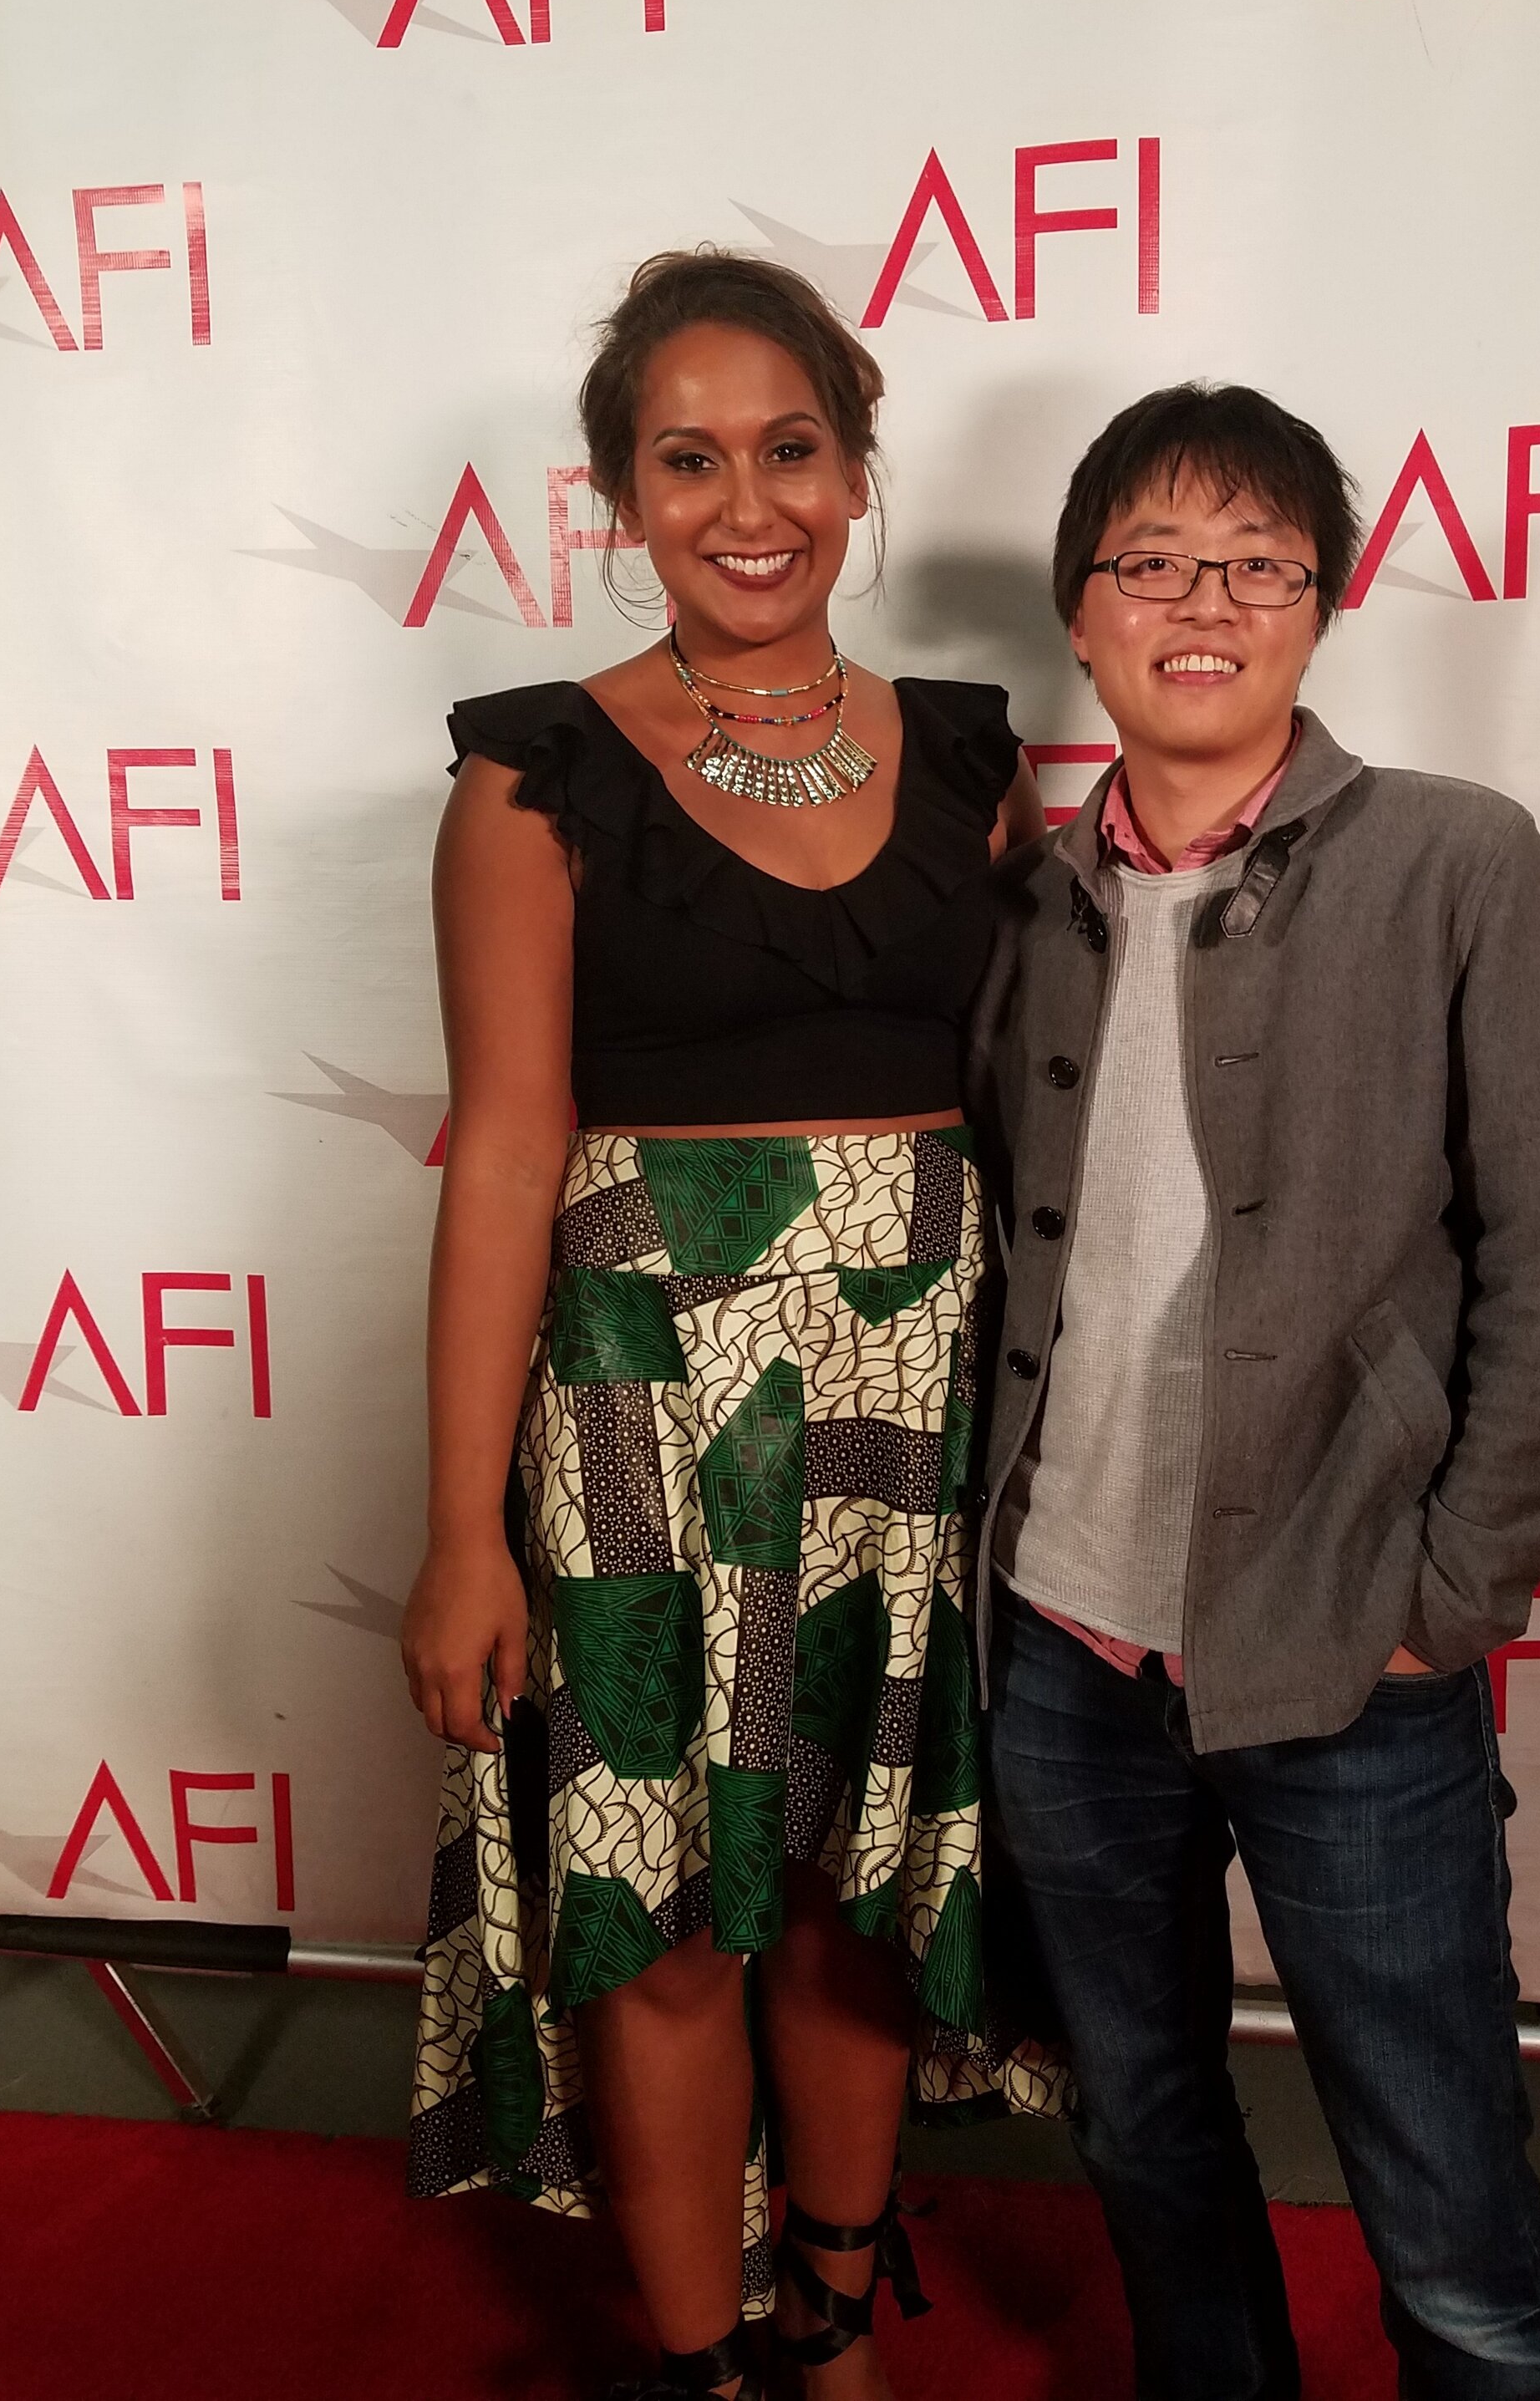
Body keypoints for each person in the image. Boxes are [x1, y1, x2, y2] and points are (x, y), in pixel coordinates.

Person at [399, 249, 1063, 2401]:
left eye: (788, 446)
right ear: (617, 493)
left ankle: (839, 2317)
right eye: (685, 456)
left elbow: (1030, 1111)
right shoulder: (530, 779)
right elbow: (505, 1151)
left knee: (853, 1891)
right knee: (666, 1900)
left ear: (859, 472)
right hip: (628, 1411)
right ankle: (705, 2361)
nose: (743, 497)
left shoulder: (974, 755)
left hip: (909, 1402)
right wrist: (460, 1531)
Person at [968, 382, 1540, 2401]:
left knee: (1446, 2214)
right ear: (1081, 613)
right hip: (1065, 1647)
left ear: (1317, 608)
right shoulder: (1019, 900)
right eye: (1152, 562)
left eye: (1255, 565)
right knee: (1146, 2139)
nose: (1204, 602)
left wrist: (1449, 1597)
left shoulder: (1455, 860)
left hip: (1352, 1652)